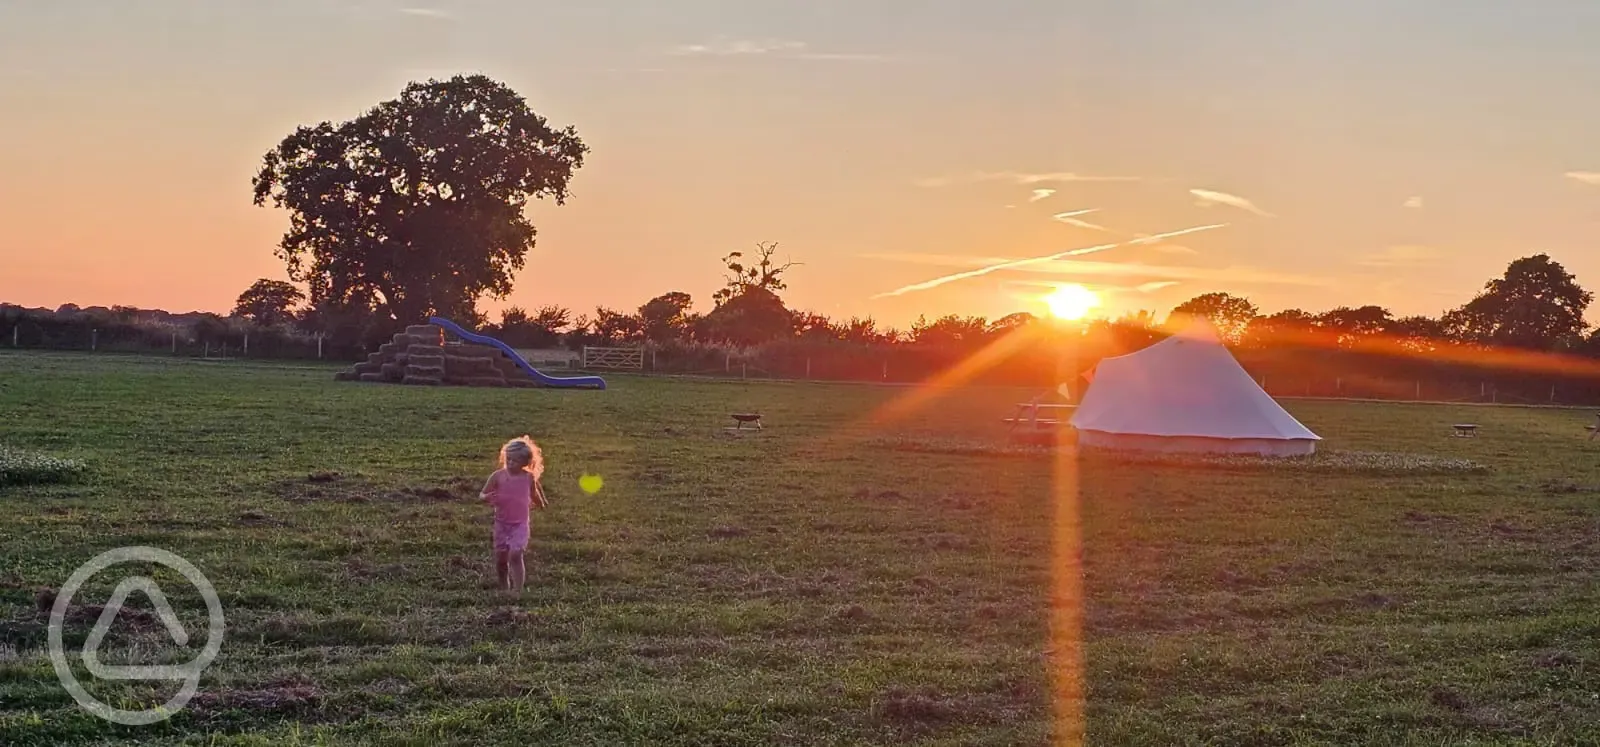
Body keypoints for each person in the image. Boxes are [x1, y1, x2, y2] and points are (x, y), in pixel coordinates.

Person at [479, 435, 548, 595]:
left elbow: (534, 493)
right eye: (508, 459)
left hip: (520, 524)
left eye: (514, 461)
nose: (510, 463)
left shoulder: (528, 478)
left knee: (516, 555)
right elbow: (482, 494)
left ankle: (518, 590)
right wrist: (486, 497)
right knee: (501, 560)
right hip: (501, 523)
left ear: (525, 463)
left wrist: (541, 504)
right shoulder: (498, 476)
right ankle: (504, 586)